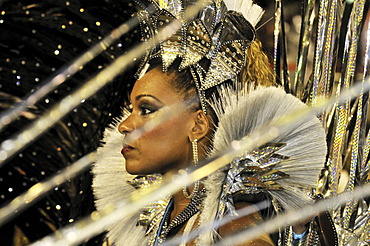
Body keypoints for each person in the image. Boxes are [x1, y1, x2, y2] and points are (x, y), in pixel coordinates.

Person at [92, 0, 329, 245]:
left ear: (198, 126)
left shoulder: (235, 229)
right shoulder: (160, 220)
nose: (124, 125)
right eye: (132, 108)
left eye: (146, 109)